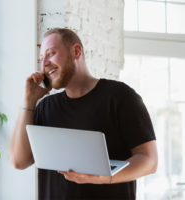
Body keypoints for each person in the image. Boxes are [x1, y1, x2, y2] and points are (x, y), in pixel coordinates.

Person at [9, 28, 158, 200]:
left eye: (51, 53)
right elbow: (18, 161)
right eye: (42, 59)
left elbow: (149, 160)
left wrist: (105, 178)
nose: (44, 64)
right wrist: (29, 99)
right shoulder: (45, 106)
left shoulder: (120, 97)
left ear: (76, 51)